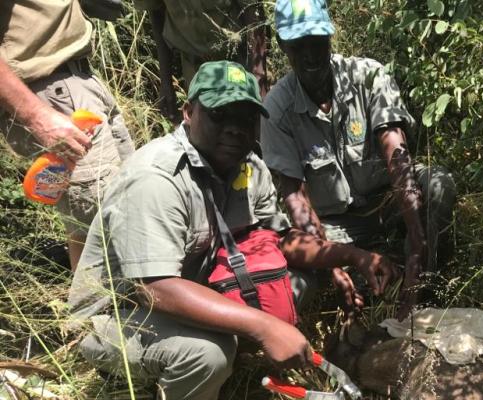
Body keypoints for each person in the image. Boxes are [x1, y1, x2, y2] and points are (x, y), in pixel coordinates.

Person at [68, 61, 395, 400]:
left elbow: (277, 241)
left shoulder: (248, 167)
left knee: (300, 281)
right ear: (189, 113)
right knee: (208, 352)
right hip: (118, 314)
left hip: (190, 286)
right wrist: (262, 327)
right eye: (220, 114)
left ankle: (225, 365)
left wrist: (352, 256)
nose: (235, 129)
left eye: (246, 117)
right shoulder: (156, 179)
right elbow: (154, 288)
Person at [260, 0, 457, 319]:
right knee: (297, 257)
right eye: (299, 46)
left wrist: (418, 243)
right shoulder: (277, 110)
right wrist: (333, 266)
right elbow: (296, 198)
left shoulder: (367, 75)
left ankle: (427, 280)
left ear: (330, 37)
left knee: (438, 185)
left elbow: (397, 153)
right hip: (336, 224)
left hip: (388, 201)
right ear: (283, 46)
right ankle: (366, 279)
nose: (310, 55)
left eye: (316, 42)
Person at [0, 0, 135, 271]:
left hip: (81, 81)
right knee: (97, 223)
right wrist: (37, 116)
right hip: (49, 94)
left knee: (126, 202)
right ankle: (95, 309)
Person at [135, 0, 272, 119]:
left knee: (246, 125)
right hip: (194, 67)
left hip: (238, 60)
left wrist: (258, 78)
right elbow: (156, 13)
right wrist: (166, 82)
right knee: (208, 131)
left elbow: (253, 12)